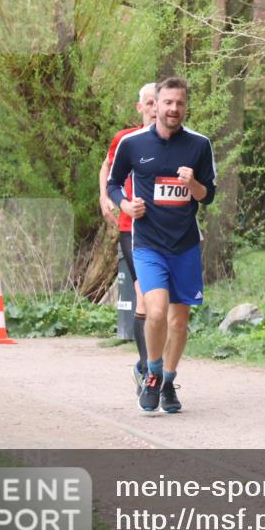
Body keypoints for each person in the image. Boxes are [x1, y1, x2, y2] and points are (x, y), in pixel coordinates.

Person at [106, 77, 217, 413]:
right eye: (167, 103)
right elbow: (113, 184)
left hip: (185, 246)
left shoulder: (199, 145)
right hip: (148, 243)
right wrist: (125, 205)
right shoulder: (134, 144)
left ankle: (169, 381)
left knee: (179, 321)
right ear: (155, 105)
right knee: (155, 311)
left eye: (179, 103)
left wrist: (193, 183)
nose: (173, 109)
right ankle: (152, 373)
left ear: (186, 106)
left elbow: (208, 195)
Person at [99, 83, 156, 389]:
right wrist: (104, 198)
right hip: (130, 227)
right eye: (148, 103)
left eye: (156, 103)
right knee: (145, 291)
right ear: (140, 108)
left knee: (161, 300)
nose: (153, 109)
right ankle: (149, 370)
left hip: (164, 230)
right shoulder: (125, 139)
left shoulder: (176, 142)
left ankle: (146, 365)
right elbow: (107, 168)